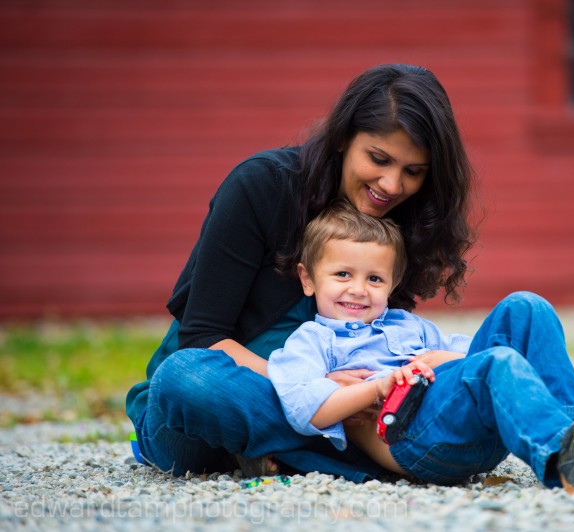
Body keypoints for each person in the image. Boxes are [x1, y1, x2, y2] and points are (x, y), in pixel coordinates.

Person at [125, 64, 479, 481]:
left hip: (338, 405)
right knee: (183, 380)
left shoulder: (400, 219)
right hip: (217, 397)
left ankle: (284, 450)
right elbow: (203, 338)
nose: (391, 184)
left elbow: (378, 339)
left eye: (413, 171)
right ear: (345, 137)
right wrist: (318, 389)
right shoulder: (260, 186)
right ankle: (333, 458)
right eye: (378, 159)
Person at [269, 200, 574, 491]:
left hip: (473, 425)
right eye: (343, 274)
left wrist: (445, 357)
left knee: (527, 306)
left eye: (375, 278)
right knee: (497, 362)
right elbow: (306, 410)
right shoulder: (312, 341)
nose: (358, 289)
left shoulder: (407, 325)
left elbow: (471, 356)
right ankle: (564, 460)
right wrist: (375, 387)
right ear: (308, 278)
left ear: (392, 284)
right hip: (414, 440)